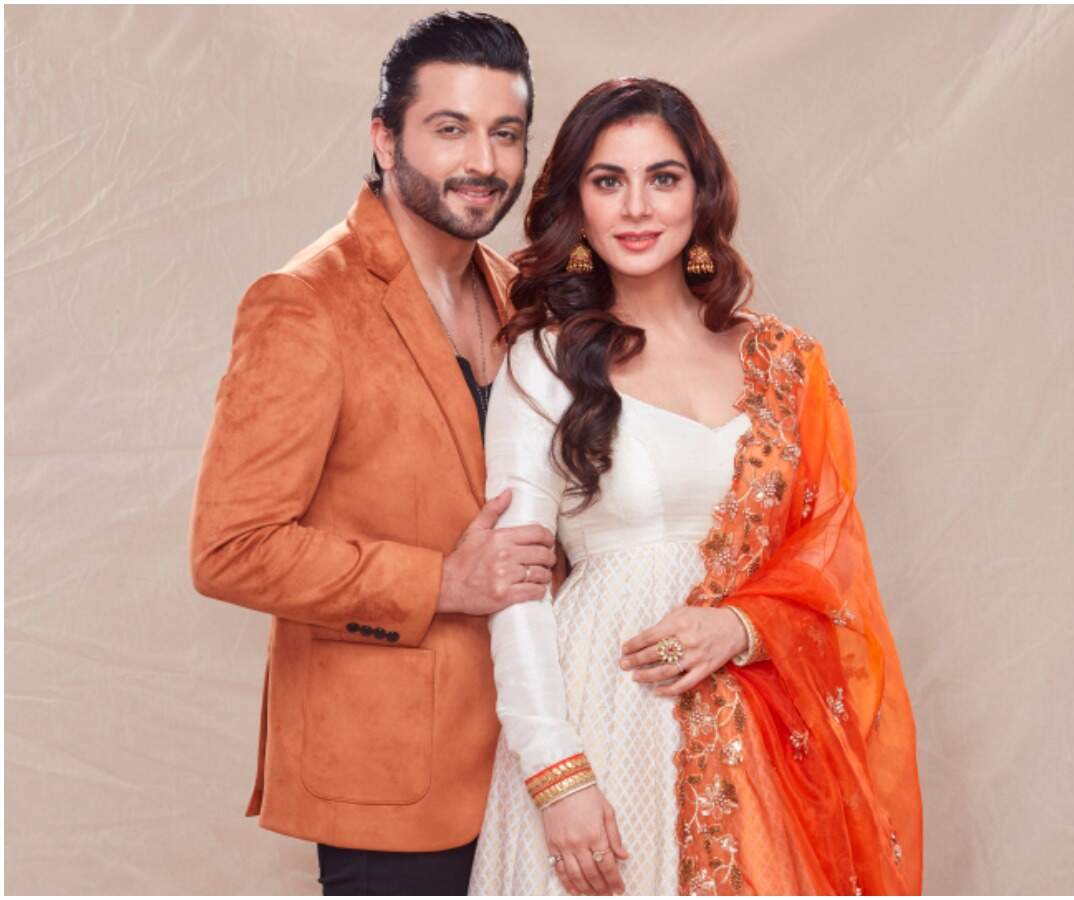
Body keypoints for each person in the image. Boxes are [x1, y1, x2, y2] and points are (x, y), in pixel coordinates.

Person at [468, 77, 923, 896]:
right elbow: (517, 589)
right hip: (604, 713)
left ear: (700, 193)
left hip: (763, 729)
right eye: (609, 181)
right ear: (578, 203)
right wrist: (555, 773)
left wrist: (740, 627)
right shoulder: (544, 361)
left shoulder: (784, 362)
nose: (637, 207)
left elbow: (831, 559)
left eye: (664, 178)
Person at [188, 12, 556, 896]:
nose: (484, 161)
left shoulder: (520, 296)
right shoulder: (304, 303)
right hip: (387, 775)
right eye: (450, 128)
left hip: (530, 759)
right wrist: (442, 583)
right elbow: (230, 547)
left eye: (506, 133)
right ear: (385, 139)